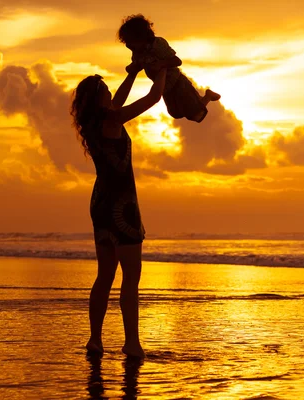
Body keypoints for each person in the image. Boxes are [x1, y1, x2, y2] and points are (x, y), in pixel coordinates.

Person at [71, 61, 173, 358]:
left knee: (105, 275)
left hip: (100, 202)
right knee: (131, 275)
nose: (109, 92)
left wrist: (133, 72)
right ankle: (131, 343)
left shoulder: (92, 123)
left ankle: (95, 339)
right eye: (105, 89)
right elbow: (153, 98)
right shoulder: (113, 120)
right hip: (122, 205)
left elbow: (118, 99)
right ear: (98, 98)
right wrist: (162, 67)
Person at [118, 14, 221, 123]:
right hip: (164, 88)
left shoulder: (157, 45)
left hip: (177, 81)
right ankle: (198, 99)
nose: (129, 46)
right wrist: (132, 68)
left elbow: (177, 61)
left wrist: (162, 64)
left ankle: (208, 96)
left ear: (141, 37)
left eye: (130, 42)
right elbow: (137, 64)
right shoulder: (138, 52)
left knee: (195, 112)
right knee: (175, 113)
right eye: (127, 43)